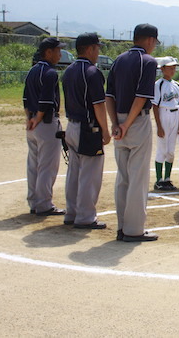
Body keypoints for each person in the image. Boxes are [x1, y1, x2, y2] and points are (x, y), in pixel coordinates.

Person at [105, 23, 160, 242]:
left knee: (123, 177)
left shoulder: (119, 59)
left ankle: (122, 226)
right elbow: (141, 97)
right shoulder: (147, 61)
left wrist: (115, 124)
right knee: (138, 176)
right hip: (135, 121)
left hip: (119, 120)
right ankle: (134, 229)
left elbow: (109, 95)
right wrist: (127, 124)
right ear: (149, 40)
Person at [62, 32, 111, 229]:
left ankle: (71, 213)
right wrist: (105, 131)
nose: (98, 52)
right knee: (90, 174)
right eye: (97, 48)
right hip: (88, 128)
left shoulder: (69, 70)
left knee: (74, 172)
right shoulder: (92, 72)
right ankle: (85, 217)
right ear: (90, 48)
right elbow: (98, 105)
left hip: (72, 125)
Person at [23, 38, 65, 216]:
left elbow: (25, 99)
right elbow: (46, 100)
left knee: (34, 164)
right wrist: (39, 118)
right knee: (47, 166)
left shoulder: (32, 71)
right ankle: (44, 204)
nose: (60, 54)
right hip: (45, 123)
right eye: (57, 50)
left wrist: (30, 119)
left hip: (32, 123)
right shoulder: (50, 73)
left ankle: (34, 201)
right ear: (48, 52)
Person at [153, 57, 179, 191]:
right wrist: (159, 126)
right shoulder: (158, 84)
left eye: (174, 67)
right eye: (170, 67)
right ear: (162, 68)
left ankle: (167, 178)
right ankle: (159, 180)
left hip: (175, 115)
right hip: (164, 114)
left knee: (171, 150)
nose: (173, 69)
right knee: (162, 149)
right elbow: (155, 106)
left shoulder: (177, 85)